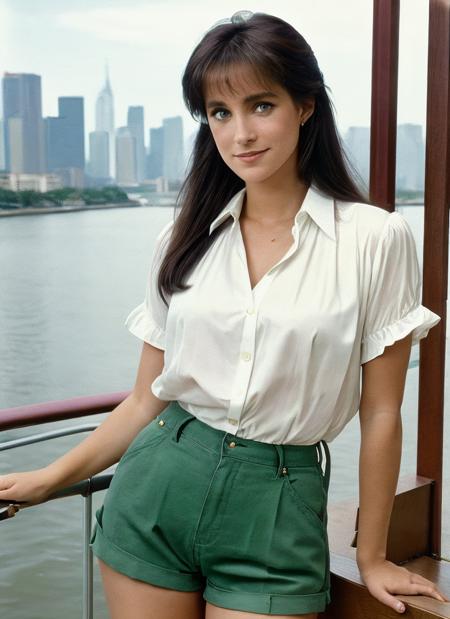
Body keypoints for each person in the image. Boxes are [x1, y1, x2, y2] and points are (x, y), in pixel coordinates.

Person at [0, 10, 448, 619]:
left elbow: (382, 411)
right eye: (219, 113)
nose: (241, 133)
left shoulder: (376, 237)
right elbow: (144, 399)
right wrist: (48, 478)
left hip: (277, 507)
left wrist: (371, 556)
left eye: (261, 105)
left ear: (306, 106)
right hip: (156, 492)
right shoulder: (183, 237)